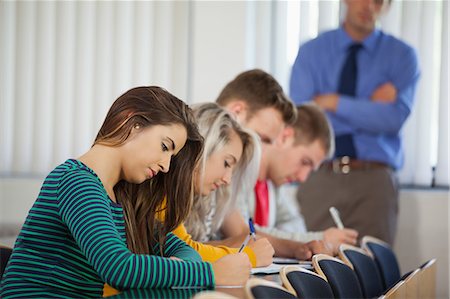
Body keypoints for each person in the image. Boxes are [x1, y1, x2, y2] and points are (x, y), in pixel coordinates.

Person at [0, 86, 250, 298]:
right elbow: (118, 268)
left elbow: (178, 249)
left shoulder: (121, 198)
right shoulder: (76, 181)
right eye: (165, 146)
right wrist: (210, 274)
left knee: (185, 292)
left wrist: (192, 272)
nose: (165, 166)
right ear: (132, 123)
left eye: (171, 156)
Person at [289, 0, 420, 245]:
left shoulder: (402, 56)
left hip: (374, 182)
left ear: (388, 6)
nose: (369, 5)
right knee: (310, 266)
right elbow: (305, 120)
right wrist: (369, 108)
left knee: (373, 273)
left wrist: (334, 102)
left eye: (379, 1)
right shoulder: (311, 52)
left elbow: (393, 119)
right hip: (320, 176)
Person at [215, 69, 331, 259]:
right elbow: (239, 235)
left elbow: (242, 233)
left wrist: (297, 248)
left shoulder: (229, 171)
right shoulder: (208, 164)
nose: (263, 152)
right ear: (236, 113)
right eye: (262, 139)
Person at [237, 104, 358, 254]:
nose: (302, 177)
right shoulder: (236, 170)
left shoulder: (274, 184)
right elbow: (243, 233)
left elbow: (294, 222)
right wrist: (320, 239)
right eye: (305, 162)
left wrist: (276, 235)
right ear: (285, 137)